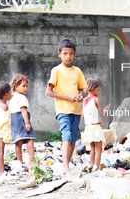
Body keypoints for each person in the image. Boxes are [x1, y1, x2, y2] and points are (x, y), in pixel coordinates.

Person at [46, 38, 87, 177]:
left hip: (76, 110)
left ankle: (67, 165)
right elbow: (49, 92)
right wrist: (67, 97)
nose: (68, 56)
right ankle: (65, 168)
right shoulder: (56, 71)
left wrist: (79, 96)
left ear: (74, 54)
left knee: (73, 140)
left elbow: (82, 89)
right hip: (63, 109)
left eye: (70, 53)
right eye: (65, 53)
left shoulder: (77, 71)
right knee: (67, 137)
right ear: (59, 54)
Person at [81, 76, 112, 172]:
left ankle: (91, 165)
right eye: (100, 90)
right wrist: (108, 108)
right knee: (99, 149)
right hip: (96, 127)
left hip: (88, 128)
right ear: (97, 89)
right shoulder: (96, 100)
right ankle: (96, 168)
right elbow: (102, 114)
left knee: (92, 149)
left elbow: (82, 116)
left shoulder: (84, 101)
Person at [10, 74, 35, 166]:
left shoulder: (12, 97)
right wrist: (27, 123)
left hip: (14, 120)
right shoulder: (22, 97)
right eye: (23, 86)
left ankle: (19, 162)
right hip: (21, 119)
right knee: (30, 139)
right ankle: (32, 160)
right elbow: (23, 110)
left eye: (26, 86)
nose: (26, 88)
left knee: (18, 141)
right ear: (16, 87)